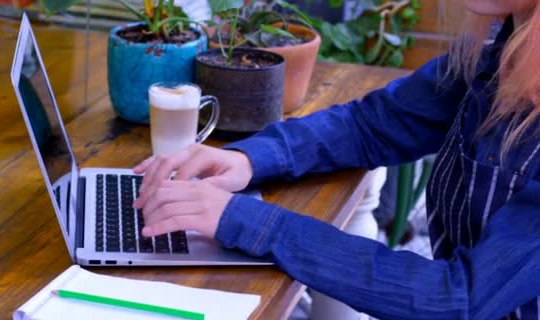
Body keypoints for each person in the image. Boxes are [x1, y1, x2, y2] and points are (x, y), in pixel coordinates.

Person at [132, 0, 540, 318]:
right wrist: (247, 160)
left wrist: (249, 221)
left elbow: (456, 299)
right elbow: (372, 125)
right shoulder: (494, 53)